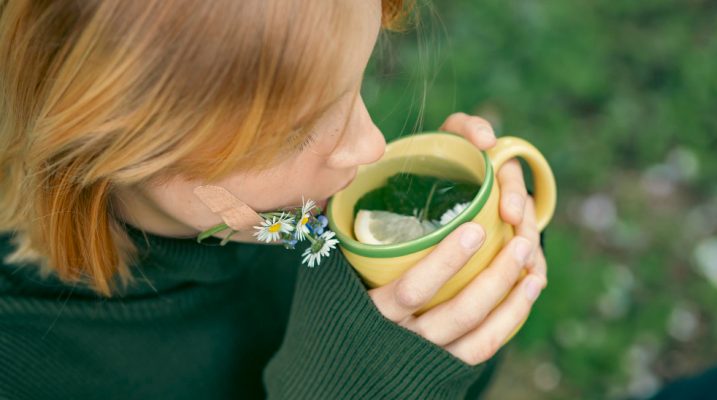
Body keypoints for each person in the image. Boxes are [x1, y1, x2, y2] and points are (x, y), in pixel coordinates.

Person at [0, 0, 547, 399]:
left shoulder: (299, 223)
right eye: (294, 132)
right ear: (114, 142)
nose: (371, 144)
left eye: (355, 82)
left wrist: (469, 268)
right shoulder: (26, 361)